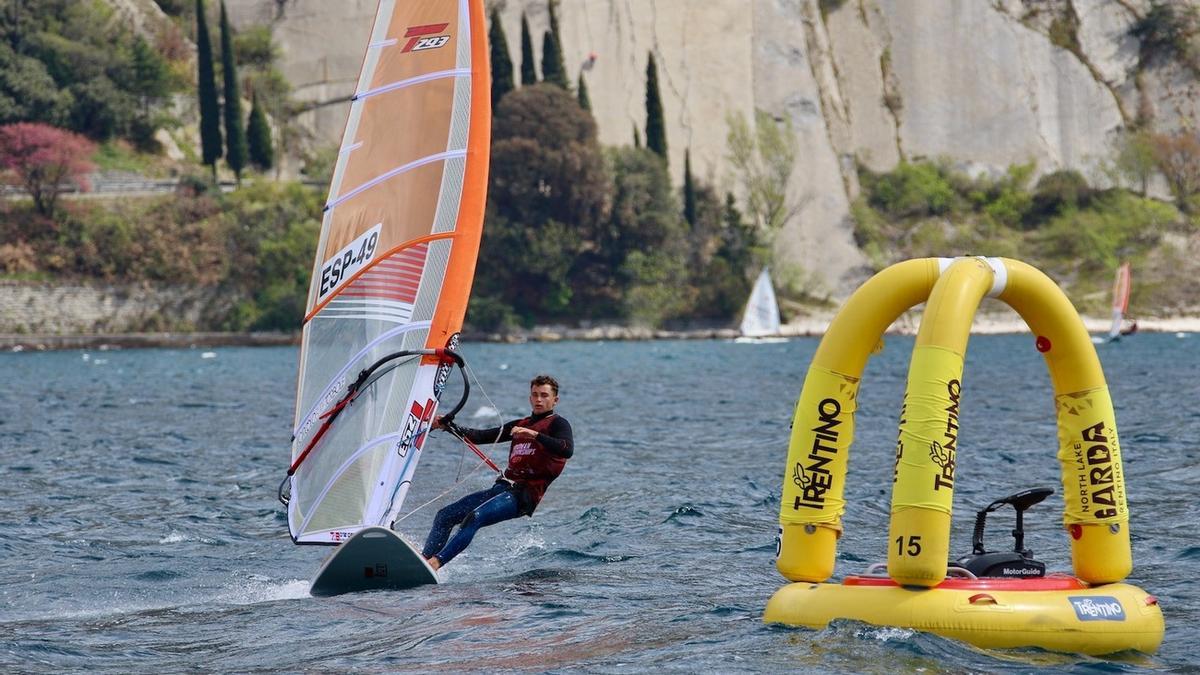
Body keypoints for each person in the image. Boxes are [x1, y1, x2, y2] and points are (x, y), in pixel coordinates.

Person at [421, 374, 574, 570]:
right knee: (445, 516)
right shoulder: (522, 424)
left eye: (544, 395)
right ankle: (423, 560)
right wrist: (449, 427)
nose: (538, 399)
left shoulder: (558, 424)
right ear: (529, 398)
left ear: (555, 400)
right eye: (534, 395)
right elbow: (480, 436)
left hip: (524, 495)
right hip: (502, 488)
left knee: (475, 517)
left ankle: (435, 563)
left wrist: (534, 435)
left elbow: (566, 449)